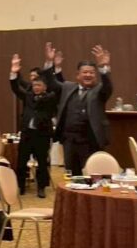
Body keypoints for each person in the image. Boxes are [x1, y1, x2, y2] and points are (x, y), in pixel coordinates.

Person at [43, 44, 113, 177]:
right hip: (69, 141)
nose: (88, 75)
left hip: (91, 141)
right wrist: (49, 62)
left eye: (91, 72)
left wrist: (103, 67)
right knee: (72, 176)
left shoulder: (99, 91)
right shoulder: (68, 87)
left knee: (92, 176)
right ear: (78, 75)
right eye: (85, 72)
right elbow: (51, 83)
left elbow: (108, 86)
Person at [10, 53, 58, 197]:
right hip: (27, 134)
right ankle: (20, 187)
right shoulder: (28, 96)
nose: (36, 87)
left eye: (39, 85)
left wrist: (50, 63)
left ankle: (41, 188)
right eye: (34, 85)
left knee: (42, 162)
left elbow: (55, 89)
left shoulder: (50, 98)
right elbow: (16, 88)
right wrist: (13, 73)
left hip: (42, 134)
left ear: (45, 87)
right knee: (21, 161)